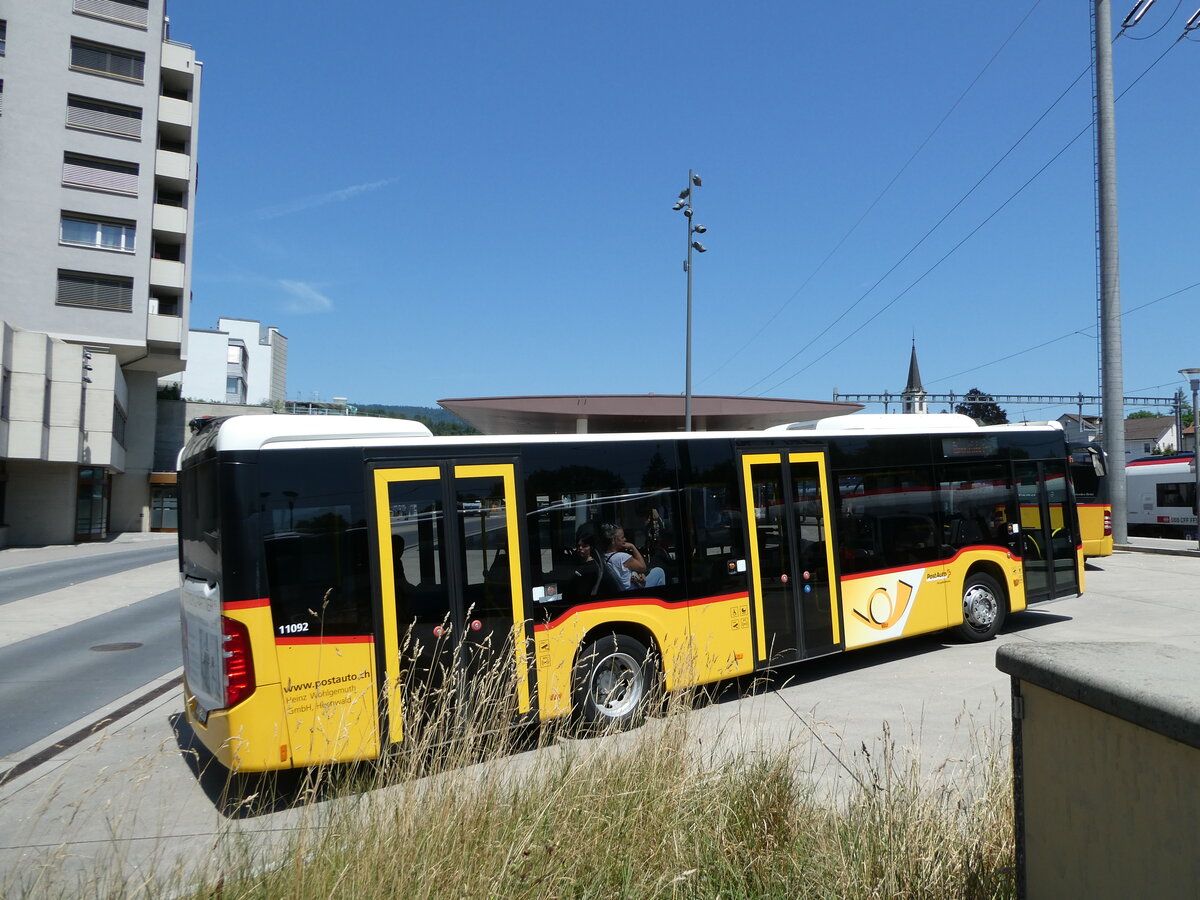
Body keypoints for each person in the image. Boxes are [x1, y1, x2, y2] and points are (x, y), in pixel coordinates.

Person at [600, 523, 666, 590]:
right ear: (613, 541)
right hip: (632, 589)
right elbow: (643, 567)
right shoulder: (622, 557)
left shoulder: (604, 556)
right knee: (659, 571)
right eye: (622, 537)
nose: (625, 539)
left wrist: (640, 574)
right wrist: (633, 547)